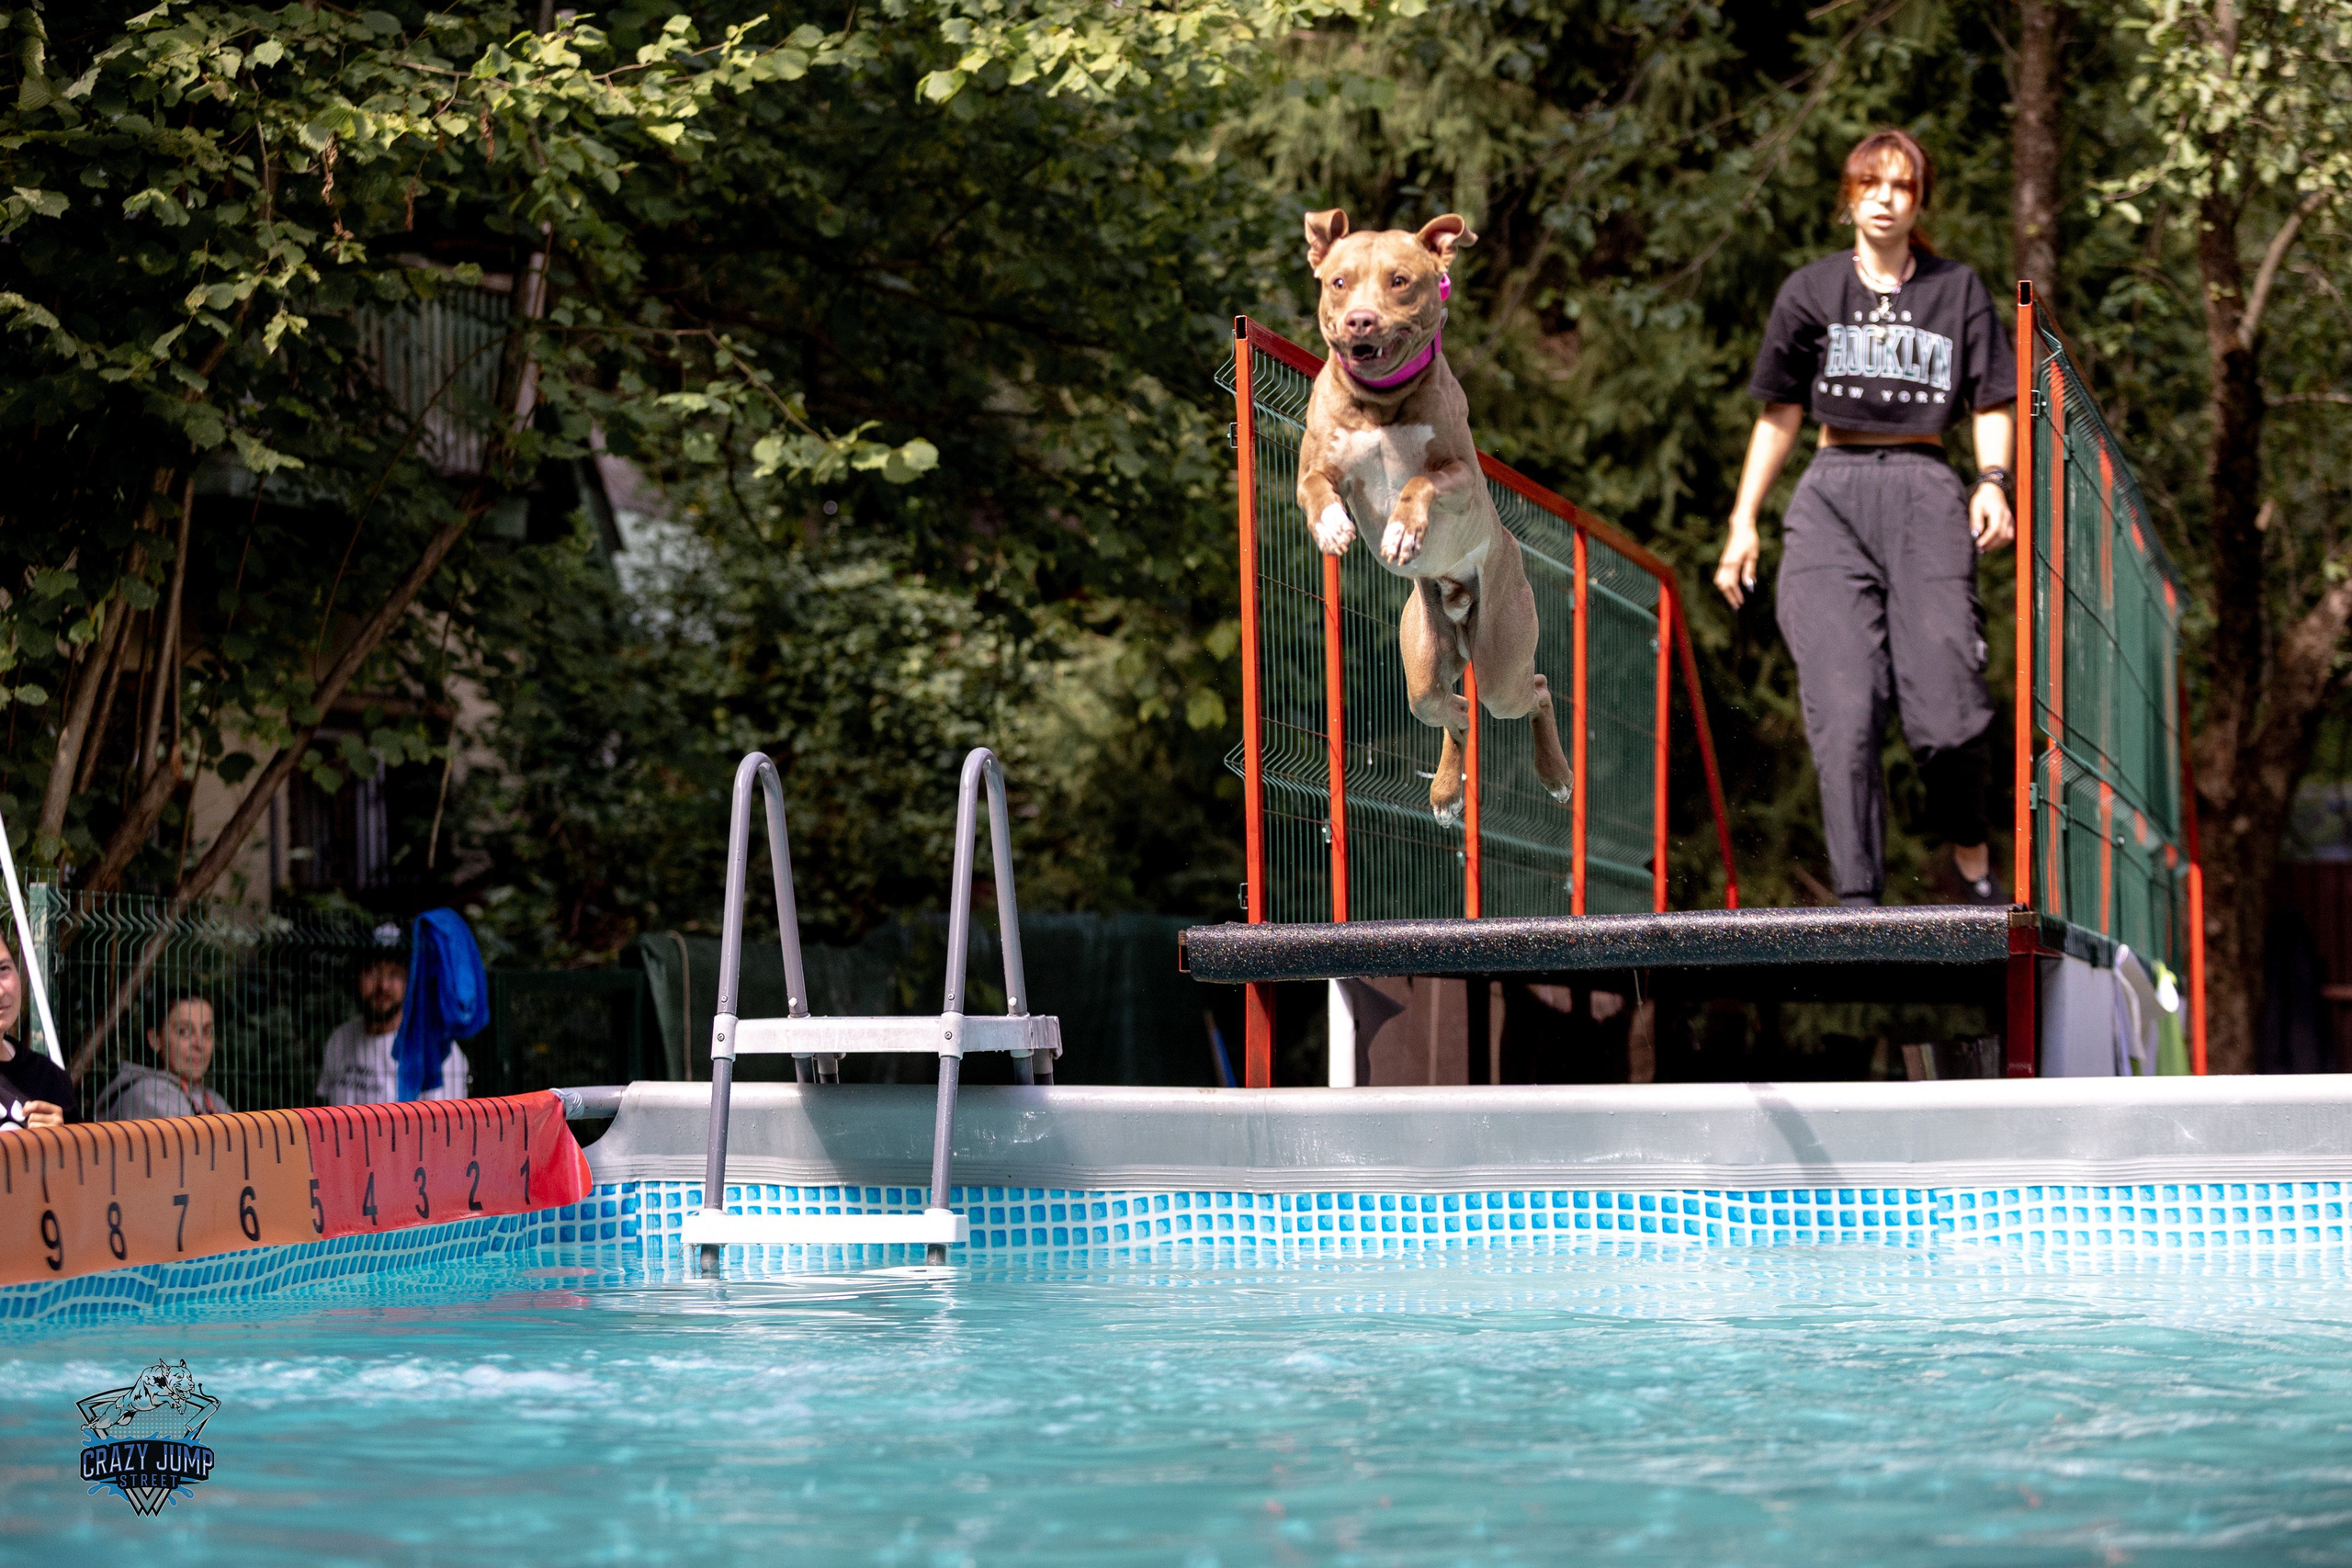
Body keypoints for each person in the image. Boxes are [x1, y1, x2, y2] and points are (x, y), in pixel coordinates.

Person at [1716, 128, 2017, 908]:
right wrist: (1744, 521)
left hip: (1926, 489)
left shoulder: (1957, 292)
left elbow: (1991, 400)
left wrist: (1992, 481)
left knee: (1947, 708)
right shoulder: (1810, 291)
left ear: (1920, 201)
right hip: (1831, 499)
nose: (1886, 198)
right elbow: (1778, 414)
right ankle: (1859, 903)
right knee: (1845, 713)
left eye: (1902, 186)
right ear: (1849, 195)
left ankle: (1972, 855)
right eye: (1871, 183)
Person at [317, 952, 469, 1106]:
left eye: (395, 974)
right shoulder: (341, 1037)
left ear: (410, 983)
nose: (383, 985)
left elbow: (444, 1125)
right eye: (372, 972)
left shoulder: (437, 1050)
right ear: (356, 979)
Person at [92, 992, 234, 1120]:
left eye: (207, 1031)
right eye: (184, 1031)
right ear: (155, 1039)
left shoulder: (212, 1099)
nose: (200, 1044)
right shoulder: (147, 1096)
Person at [0, 929, 75, 1130]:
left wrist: (62, 1142)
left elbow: (88, 1160)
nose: (0, 991)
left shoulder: (48, 1079)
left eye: (3, 969)